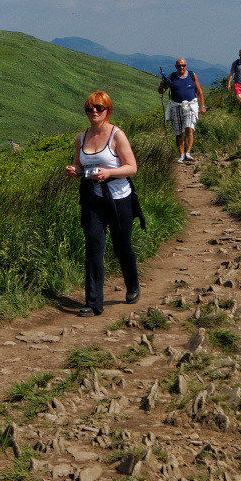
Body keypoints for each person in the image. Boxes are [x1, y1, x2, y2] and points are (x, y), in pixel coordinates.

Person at [65, 91, 142, 316]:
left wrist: (108, 173)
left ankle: (133, 283)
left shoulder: (117, 135)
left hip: (119, 199)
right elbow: (81, 166)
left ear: (108, 110)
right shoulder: (82, 138)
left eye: (99, 108)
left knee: (122, 246)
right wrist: (75, 171)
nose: (94, 112)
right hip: (93, 199)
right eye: (90, 108)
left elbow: (132, 167)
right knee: (93, 247)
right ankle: (93, 303)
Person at [159, 58, 206, 163]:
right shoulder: (172, 77)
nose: (181, 68)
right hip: (176, 106)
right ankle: (181, 154)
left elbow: (199, 91)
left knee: (189, 128)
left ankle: (188, 153)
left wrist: (202, 105)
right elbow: (161, 91)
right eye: (179, 66)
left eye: (183, 65)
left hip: (190, 105)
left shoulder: (192, 75)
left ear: (186, 66)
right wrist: (163, 83)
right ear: (176, 67)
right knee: (179, 131)